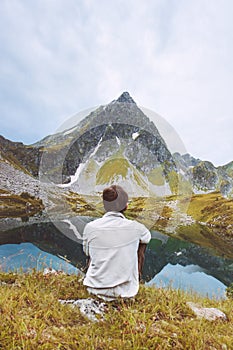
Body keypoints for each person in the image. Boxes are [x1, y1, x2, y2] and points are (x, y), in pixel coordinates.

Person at [82, 185, 151, 300]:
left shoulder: (90, 227)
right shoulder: (137, 228)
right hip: (126, 293)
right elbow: (147, 237)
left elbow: (87, 253)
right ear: (126, 206)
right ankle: (135, 279)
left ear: (104, 205)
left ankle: (98, 279)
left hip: (94, 289)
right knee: (141, 242)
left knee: (94, 247)